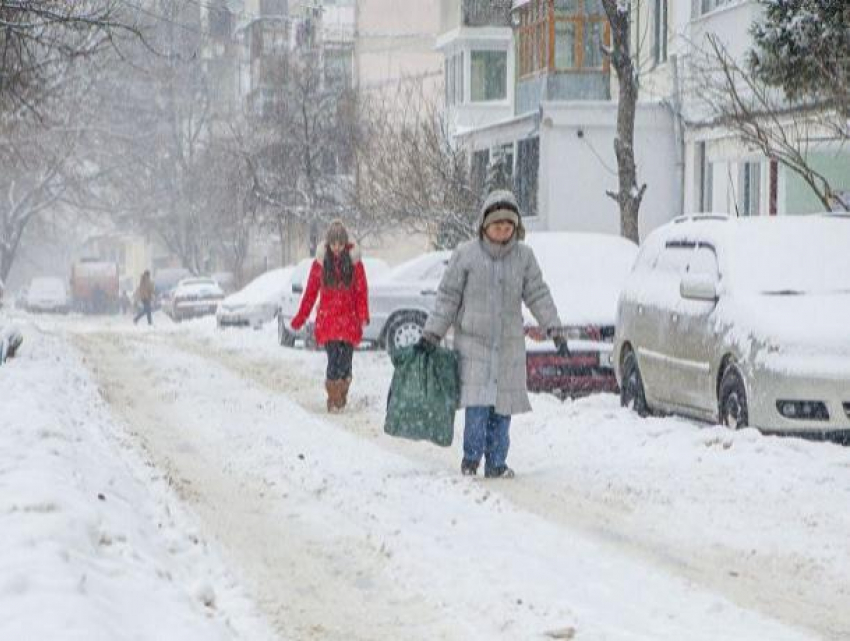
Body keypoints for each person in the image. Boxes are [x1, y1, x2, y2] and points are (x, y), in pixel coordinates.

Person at [419, 189, 568, 479]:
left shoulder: (524, 257)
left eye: (508, 225)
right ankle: (471, 460)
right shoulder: (466, 254)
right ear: (484, 225)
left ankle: (497, 463)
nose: (503, 229)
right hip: (473, 342)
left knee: (502, 409)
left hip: (509, 345)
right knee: (477, 407)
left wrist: (555, 330)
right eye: (497, 224)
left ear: (516, 227)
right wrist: (431, 334)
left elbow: (538, 294)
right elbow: (448, 297)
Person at [290, 221, 370, 412]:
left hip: (349, 320)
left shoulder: (354, 263)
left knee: (346, 363)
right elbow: (310, 292)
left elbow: (361, 290)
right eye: (333, 244)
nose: (336, 248)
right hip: (329, 320)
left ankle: (341, 394)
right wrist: (301, 316)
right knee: (333, 361)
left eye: (340, 244)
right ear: (328, 244)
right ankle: (333, 398)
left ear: (345, 244)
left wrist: (363, 314)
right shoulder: (320, 263)